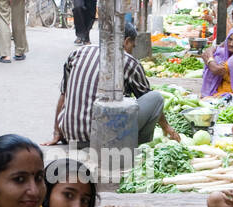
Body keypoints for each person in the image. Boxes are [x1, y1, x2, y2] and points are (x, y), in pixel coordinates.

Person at [44, 26, 183, 148]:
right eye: (132, 46)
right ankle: (131, 146)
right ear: (126, 41)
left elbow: (64, 94)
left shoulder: (78, 53)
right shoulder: (129, 61)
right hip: (103, 141)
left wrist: (57, 132)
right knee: (156, 98)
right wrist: (167, 128)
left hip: (71, 137)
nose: (132, 51)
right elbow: (147, 98)